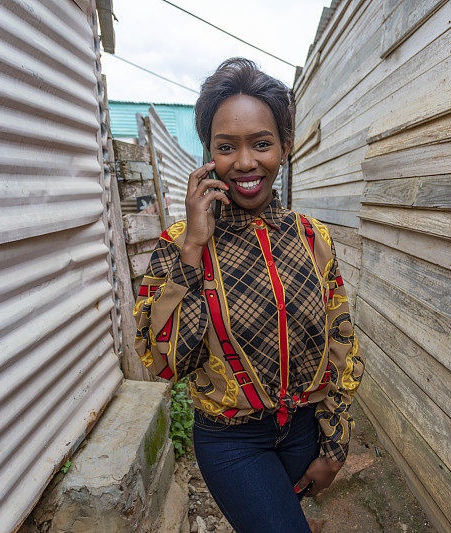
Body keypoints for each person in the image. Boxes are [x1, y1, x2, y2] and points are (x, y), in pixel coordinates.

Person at [133, 57, 364, 533]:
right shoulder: (178, 244)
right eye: (226, 147)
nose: (244, 162)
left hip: (304, 430)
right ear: (208, 153)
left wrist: (336, 447)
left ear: (284, 148)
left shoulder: (311, 236)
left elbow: (342, 345)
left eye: (261, 143)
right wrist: (195, 245)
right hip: (231, 443)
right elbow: (166, 363)